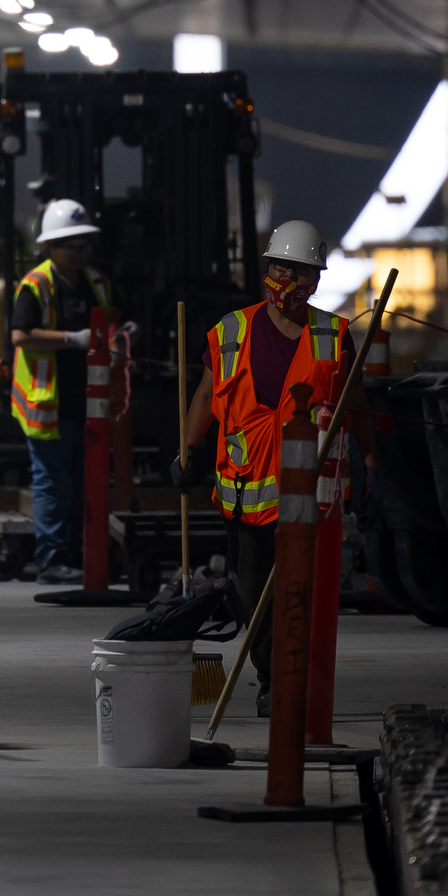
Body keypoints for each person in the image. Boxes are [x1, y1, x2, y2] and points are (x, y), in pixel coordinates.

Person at [177, 218, 370, 716]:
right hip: (245, 494)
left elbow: (356, 406)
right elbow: (205, 393)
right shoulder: (232, 331)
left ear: (317, 278)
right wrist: (186, 451)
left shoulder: (335, 335)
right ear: (267, 269)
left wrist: (369, 466)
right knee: (253, 591)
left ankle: (291, 679)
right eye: (284, 266)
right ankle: (270, 678)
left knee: (301, 590)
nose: (293, 279)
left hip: (309, 495)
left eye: (305, 270)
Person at [8, 198, 120, 586]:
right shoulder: (36, 284)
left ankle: (76, 552)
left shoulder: (98, 283)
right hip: (47, 405)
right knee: (54, 483)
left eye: (83, 245)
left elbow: (109, 325)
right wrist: (72, 338)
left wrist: (119, 339)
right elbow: (20, 335)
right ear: (50, 247)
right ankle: (52, 557)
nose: (77, 253)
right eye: (69, 246)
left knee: (83, 481)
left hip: (88, 402)